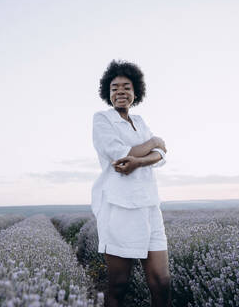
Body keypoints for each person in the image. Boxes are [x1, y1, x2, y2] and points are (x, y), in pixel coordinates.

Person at [92, 60, 171, 307]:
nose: (120, 92)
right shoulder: (102, 119)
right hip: (119, 209)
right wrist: (154, 142)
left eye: (126, 87)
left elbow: (163, 156)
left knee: (161, 282)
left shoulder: (141, 121)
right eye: (115, 88)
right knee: (119, 285)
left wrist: (139, 160)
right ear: (108, 92)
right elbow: (121, 154)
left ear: (136, 92)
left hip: (149, 207)